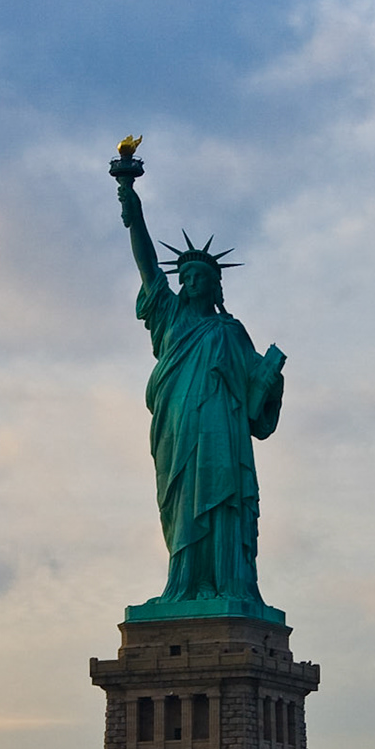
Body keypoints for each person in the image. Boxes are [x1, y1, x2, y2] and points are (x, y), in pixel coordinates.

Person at [114, 161, 286, 609]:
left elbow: (255, 392)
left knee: (223, 499)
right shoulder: (168, 315)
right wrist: (132, 204)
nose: (190, 282)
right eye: (185, 277)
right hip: (177, 424)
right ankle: (185, 582)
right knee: (180, 500)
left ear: (214, 286)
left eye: (200, 277)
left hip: (221, 430)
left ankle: (226, 583)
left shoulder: (230, 331)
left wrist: (271, 377)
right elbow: (147, 264)